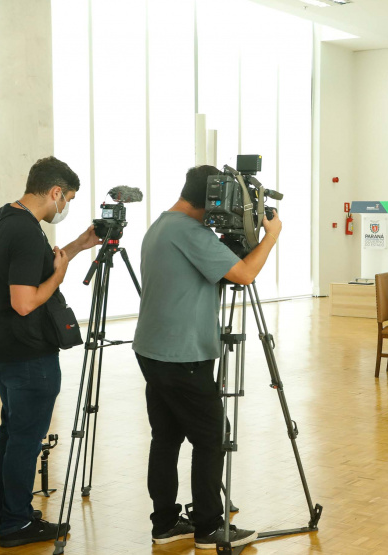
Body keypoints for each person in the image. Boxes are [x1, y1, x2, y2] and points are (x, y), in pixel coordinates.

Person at [132, 165, 280, 550]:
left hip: (153, 350)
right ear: (213, 198)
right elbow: (244, 274)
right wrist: (271, 236)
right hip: (184, 354)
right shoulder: (189, 232)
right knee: (212, 438)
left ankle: (164, 523)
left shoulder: (162, 225)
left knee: (166, 437)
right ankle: (209, 528)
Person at [0, 157, 100, 547]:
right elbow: (24, 301)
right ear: (55, 192)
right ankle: (16, 524)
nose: (64, 207)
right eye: (66, 199)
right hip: (27, 351)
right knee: (25, 438)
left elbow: (28, 269)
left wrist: (79, 245)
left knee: (12, 431)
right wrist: (62, 276)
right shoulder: (26, 232)